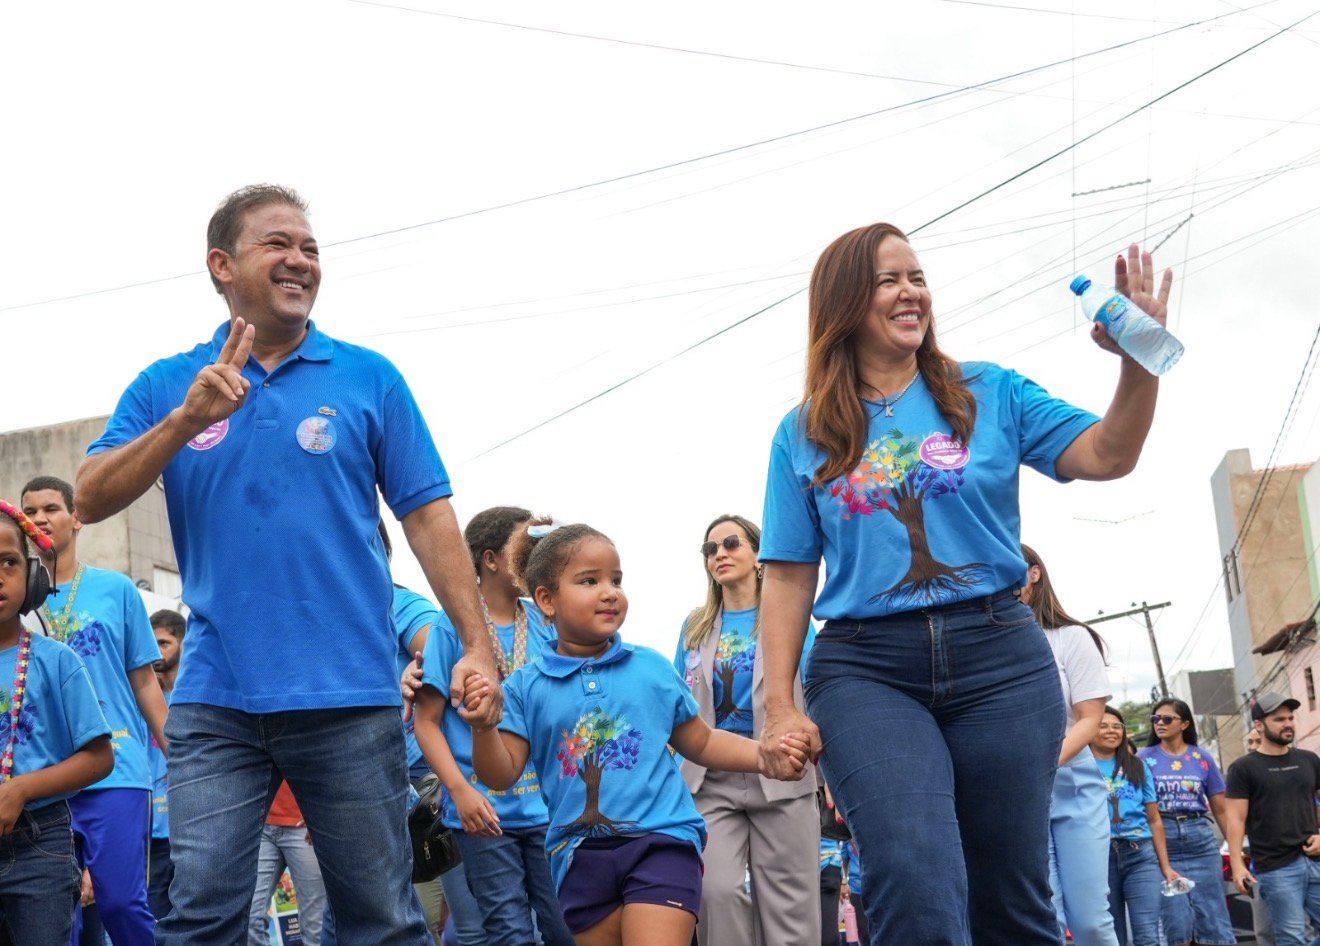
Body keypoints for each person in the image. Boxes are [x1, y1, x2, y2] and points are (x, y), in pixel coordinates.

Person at [73, 184, 501, 946]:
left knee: (382, 918)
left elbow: (428, 515)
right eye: (279, 243)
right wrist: (185, 422)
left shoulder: (368, 377)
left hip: (350, 698)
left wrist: (476, 643)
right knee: (201, 915)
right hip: (215, 702)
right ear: (222, 264)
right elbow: (90, 497)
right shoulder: (169, 383)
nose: (301, 260)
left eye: (310, 247)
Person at [756, 223, 1172, 946]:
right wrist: (777, 707)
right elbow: (789, 578)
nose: (911, 290)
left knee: (1009, 894)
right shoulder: (804, 432)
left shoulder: (990, 392)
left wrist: (1139, 365)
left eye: (916, 276)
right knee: (914, 876)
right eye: (889, 279)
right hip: (866, 668)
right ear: (846, 301)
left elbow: (1108, 454)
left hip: (1000, 661)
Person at [463, 524, 810, 946]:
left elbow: (700, 741)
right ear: (546, 600)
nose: (609, 591)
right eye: (589, 581)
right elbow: (501, 774)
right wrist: (483, 729)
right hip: (577, 857)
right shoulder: (523, 687)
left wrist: (762, 756)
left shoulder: (651, 669)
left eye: (616, 580)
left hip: (661, 842)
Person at [20, 475, 167, 946]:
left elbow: (144, 681)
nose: (40, 519)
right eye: (30, 511)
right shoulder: (14, 602)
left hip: (117, 771)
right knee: (58, 917)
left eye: (51, 508)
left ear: (77, 518)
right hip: (45, 778)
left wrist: (181, 756)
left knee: (121, 903)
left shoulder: (117, 590)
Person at [413, 507, 570, 945]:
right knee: (508, 932)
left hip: (549, 810)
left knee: (565, 926)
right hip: (483, 816)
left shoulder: (543, 621)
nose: (534, 554)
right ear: (491, 559)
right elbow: (426, 722)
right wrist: (459, 792)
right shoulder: (453, 627)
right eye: (525, 545)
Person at [674, 514, 820, 945]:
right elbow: (677, 703)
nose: (719, 554)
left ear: (758, 555)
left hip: (783, 770)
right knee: (714, 892)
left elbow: (814, 694)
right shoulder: (693, 627)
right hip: (709, 778)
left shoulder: (791, 620)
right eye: (710, 549)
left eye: (732, 543)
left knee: (789, 908)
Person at [0, 500, 114, 946]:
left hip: (39, 845)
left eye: (8, 562)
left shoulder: (56, 661)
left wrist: (22, 789)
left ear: (32, 577)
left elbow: (99, 757)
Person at [1019, 544, 1119, 946]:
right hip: (1016, 793)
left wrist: (1042, 765)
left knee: (1091, 918)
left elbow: (1091, 719)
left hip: (1073, 784)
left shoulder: (1071, 637)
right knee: (1046, 916)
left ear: (1034, 574)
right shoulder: (987, 647)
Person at [1138, 698, 1236, 946]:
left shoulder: (1201, 757)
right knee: (1176, 919)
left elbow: (1221, 810)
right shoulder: (1142, 759)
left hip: (1200, 839)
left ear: (1184, 724)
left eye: (1167, 719)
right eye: (1155, 719)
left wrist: (1234, 854)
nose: (1160, 723)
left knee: (1213, 917)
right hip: (1162, 839)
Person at [1225, 693, 1320, 946]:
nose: (1288, 723)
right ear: (1259, 725)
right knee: (1291, 937)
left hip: (1315, 859)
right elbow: (1235, 818)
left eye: (1290, 718)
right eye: (1279, 719)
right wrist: (1237, 864)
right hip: (1277, 867)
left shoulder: (1309, 760)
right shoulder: (1243, 768)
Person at [1090, 705, 1180, 946]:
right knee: (1111, 936)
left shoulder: (1137, 766)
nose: (1111, 731)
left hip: (1140, 855)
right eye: (1103, 725)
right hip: (1099, 857)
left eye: (1117, 726)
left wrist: (1166, 866)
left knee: (1147, 935)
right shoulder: (1079, 766)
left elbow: (1154, 819)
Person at [247, 782, 326, 946]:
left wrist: (321, 812)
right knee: (249, 919)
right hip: (260, 822)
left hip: (306, 825)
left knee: (316, 930)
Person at [148, 608, 186, 921]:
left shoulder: (194, 696)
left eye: (164, 643)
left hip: (191, 829)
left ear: (183, 643)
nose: (157, 651)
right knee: (155, 918)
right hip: (153, 834)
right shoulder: (144, 696)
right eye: (152, 643)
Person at [819, 837, 867, 946]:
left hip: (828, 865)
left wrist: (843, 882)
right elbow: (843, 853)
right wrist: (844, 881)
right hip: (855, 887)